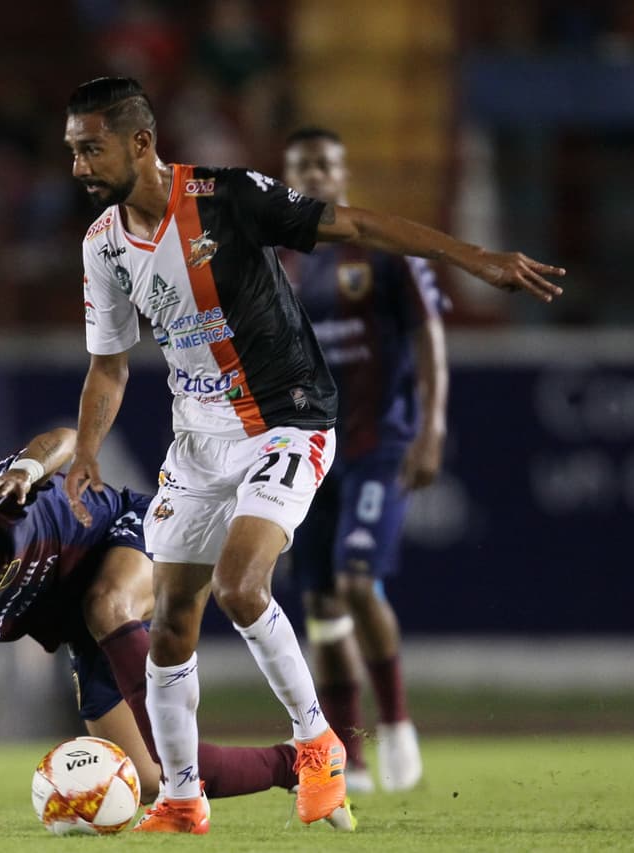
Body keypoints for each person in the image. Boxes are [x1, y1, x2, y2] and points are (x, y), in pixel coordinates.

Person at [62, 76, 563, 834]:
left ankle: (318, 743)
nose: (77, 166)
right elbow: (110, 362)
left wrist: (473, 256)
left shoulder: (228, 199)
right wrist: (86, 452)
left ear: (140, 143)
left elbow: (355, 224)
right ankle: (183, 797)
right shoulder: (104, 246)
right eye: (71, 150)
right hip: (198, 440)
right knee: (170, 620)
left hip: (287, 419)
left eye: (90, 147)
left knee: (240, 584)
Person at [0, 427, 306, 830]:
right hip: (83, 625)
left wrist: (27, 468)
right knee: (151, 779)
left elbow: (64, 439)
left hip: (128, 529)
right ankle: (299, 766)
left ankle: (191, 771)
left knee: (106, 604)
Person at [280, 126, 448, 793]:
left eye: (326, 164)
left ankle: (400, 726)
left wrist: (432, 427)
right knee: (320, 602)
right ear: (288, 180)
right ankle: (347, 754)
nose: (316, 175)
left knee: (356, 580)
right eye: (303, 167)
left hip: (380, 443)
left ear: (343, 173)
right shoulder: (281, 263)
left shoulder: (383, 248)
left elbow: (430, 335)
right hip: (309, 452)